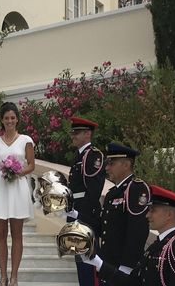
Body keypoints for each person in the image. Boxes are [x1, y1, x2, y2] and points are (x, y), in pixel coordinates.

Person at [82, 185, 175, 285]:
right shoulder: (157, 246)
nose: (147, 215)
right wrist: (98, 263)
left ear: (169, 215)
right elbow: (134, 282)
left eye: (152, 210)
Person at [0, 101, 35, 286]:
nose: (10, 121)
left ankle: (14, 277)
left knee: (17, 234)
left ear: (17, 119)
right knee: (0, 234)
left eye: (13, 118)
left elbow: (31, 164)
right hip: (1, 188)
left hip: (18, 188)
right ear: (2, 121)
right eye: (6, 118)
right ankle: (3, 276)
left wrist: (19, 171)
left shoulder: (26, 140)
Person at [97, 143, 150, 283]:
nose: (107, 168)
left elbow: (137, 230)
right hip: (108, 264)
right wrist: (74, 215)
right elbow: (105, 227)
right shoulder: (112, 193)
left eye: (111, 163)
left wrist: (126, 266)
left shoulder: (136, 189)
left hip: (122, 266)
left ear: (126, 165)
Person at [66, 117, 106, 286]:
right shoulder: (80, 156)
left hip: (85, 214)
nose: (73, 136)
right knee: (80, 260)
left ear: (87, 134)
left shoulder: (93, 156)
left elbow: (93, 190)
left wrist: (82, 215)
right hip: (77, 213)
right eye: (73, 132)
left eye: (77, 132)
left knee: (88, 261)